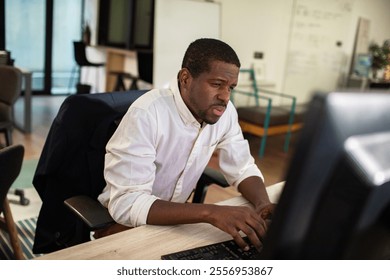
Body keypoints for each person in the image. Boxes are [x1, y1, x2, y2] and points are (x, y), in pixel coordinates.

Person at [98, 38, 274, 252]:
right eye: (217, 84)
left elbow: (242, 167)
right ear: (185, 78)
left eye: (231, 87)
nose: (225, 97)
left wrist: (263, 204)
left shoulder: (224, 113)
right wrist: (211, 213)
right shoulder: (147, 115)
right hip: (123, 225)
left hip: (175, 221)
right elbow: (128, 204)